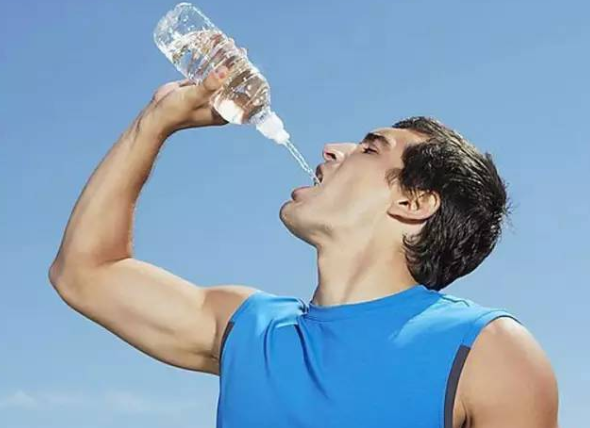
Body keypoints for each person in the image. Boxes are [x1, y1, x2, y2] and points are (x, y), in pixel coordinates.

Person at [49, 67, 559, 428]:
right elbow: (84, 273)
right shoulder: (249, 327)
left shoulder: (488, 352)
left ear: (413, 202)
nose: (331, 149)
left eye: (369, 148)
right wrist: (157, 122)